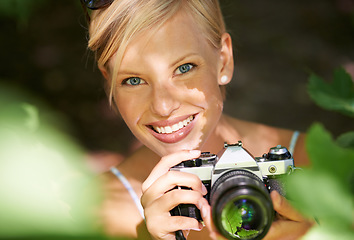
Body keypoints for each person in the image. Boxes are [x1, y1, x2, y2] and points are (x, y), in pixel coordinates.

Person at [81, 0, 313, 239]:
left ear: (223, 60)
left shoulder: (324, 165)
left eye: (184, 68)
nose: (163, 107)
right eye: (133, 80)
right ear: (109, 82)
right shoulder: (91, 212)